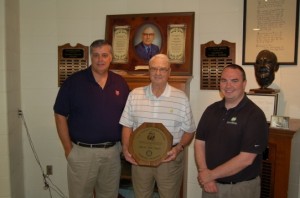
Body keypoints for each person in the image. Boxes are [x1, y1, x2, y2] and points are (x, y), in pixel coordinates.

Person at [53, 39, 129, 198]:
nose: (100, 59)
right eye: (96, 55)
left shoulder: (120, 83)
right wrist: (68, 149)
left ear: (111, 57)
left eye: (104, 55)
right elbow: (59, 114)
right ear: (90, 57)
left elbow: (128, 118)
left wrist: (124, 146)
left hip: (112, 153)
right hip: (82, 153)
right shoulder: (74, 82)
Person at [120, 54, 196, 198]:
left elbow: (190, 130)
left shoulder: (180, 97)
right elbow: (127, 124)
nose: (158, 73)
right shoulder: (134, 95)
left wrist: (178, 148)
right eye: (154, 69)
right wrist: (125, 148)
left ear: (169, 72)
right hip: (140, 158)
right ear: (149, 71)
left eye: (162, 69)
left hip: (169, 159)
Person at [194, 64, 269, 198]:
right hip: (210, 185)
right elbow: (199, 143)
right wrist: (204, 172)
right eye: (224, 80)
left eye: (234, 81)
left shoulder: (255, 115)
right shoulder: (211, 110)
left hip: (240, 189)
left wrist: (210, 175)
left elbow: (246, 159)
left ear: (244, 84)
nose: (228, 86)